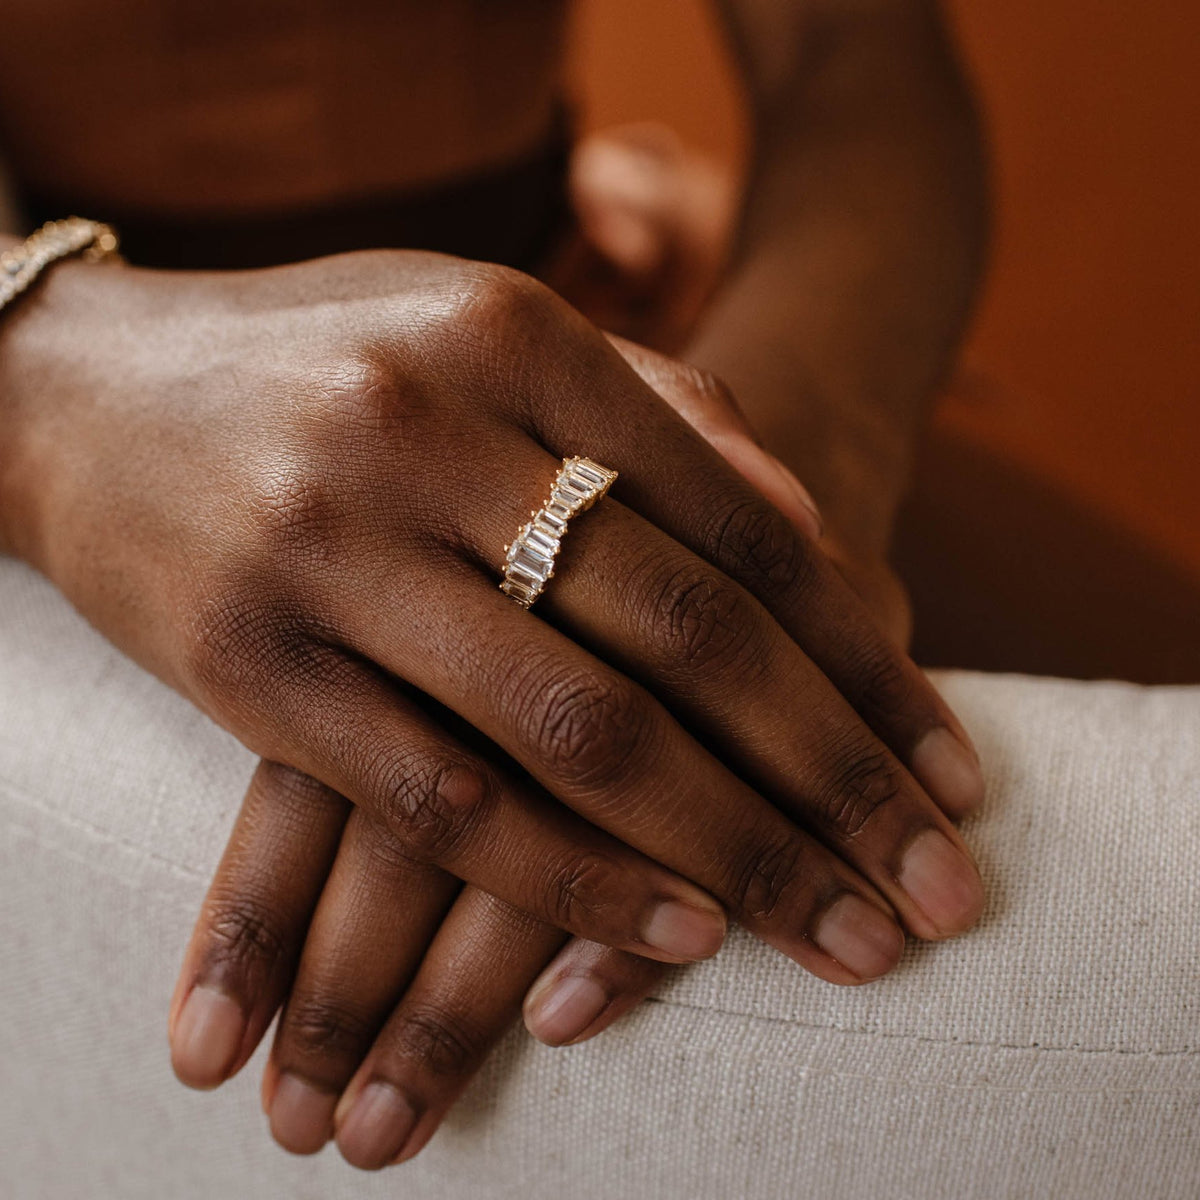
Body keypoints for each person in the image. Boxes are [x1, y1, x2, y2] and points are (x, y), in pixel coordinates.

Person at [0, 0, 988, 1172]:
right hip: (121, 416)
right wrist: (44, 378)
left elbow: (856, 56)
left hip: (639, 371)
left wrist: (756, 486)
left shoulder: (725, 473)